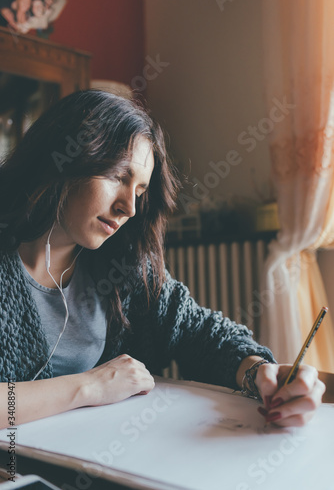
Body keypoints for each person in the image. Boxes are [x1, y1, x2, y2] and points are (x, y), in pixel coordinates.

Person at [0, 90, 325, 430]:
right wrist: (90, 386)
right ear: (64, 159)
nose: (129, 207)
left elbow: (198, 331)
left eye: (140, 191)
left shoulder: (123, 268)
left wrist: (260, 373)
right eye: (117, 177)